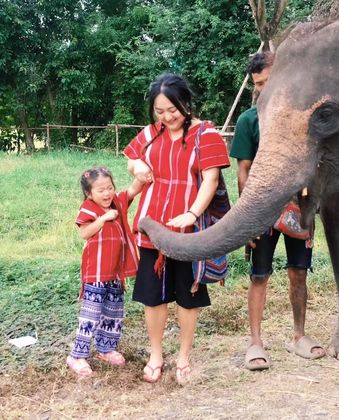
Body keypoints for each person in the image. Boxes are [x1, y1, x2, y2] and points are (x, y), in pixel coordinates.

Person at [124, 73, 230, 384]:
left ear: (186, 103)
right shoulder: (152, 133)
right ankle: (156, 353)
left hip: (188, 231)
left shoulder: (206, 135)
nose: (167, 117)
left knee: (188, 295)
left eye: (173, 109)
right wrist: (137, 166)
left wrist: (192, 213)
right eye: (160, 111)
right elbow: (131, 158)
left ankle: (184, 355)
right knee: (153, 296)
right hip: (151, 226)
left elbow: (210, 179)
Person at [230, 52, 325, 371]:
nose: (263, 88)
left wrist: (311, 209)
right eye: (258, 84)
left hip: (298, 205)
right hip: (263, 210)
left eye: (269, 80)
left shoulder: (304, 116)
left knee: (299, 272)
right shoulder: (248, 120)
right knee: (260, 276)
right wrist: (249, 216)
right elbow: (243, 170)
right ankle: (255, 343)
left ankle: (298, 336)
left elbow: (315, 165)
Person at [67, 165, 143, 379]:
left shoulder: (117, 202)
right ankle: (77, 355)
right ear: (89, 193)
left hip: (115, 272)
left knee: (113, 312)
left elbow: (133, 189)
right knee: (90, 314)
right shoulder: (88, 209)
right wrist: (102, 219)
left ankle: (105, 349)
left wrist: (141, 174)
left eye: (109, 187)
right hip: (96, 272)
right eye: (100, 190)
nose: (107, 193)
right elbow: (84, 233)